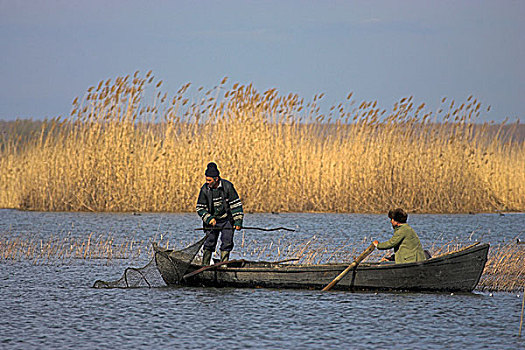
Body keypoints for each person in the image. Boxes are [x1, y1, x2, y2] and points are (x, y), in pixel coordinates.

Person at [196, 162, 244, 265]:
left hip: (227, 220)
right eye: (206, 180)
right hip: (212, 221)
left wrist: (238, 221)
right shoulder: (204, 190)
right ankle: (205, 265)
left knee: (227, 242)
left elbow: (236, 205)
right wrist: (209, 218)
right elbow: (200, 208)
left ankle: (224, 265)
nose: (207, 182)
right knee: (209, 243)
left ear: (216, 179)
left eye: (209, 180)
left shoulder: (228, 187)